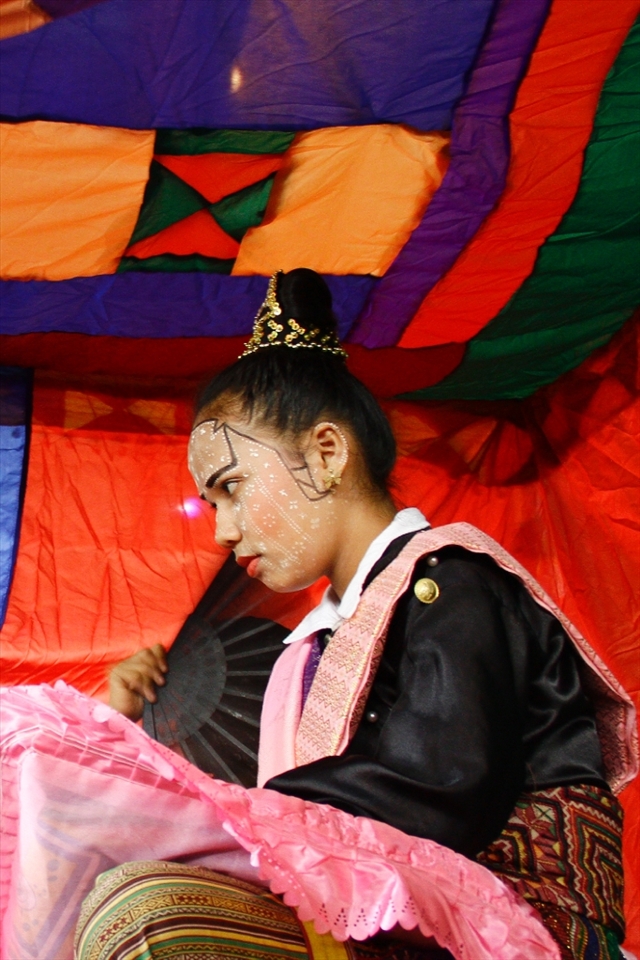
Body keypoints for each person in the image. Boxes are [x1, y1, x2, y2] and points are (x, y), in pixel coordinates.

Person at [0, 270, 635, 960]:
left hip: (520, 918)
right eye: (213, 503)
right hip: (391, 906)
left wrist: (221, 811)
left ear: (327, 454)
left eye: (233, 488)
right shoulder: (307, 652)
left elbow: (440, 786)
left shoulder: (451, 582)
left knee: (153, 914)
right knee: (119, 891)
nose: (222, 531)